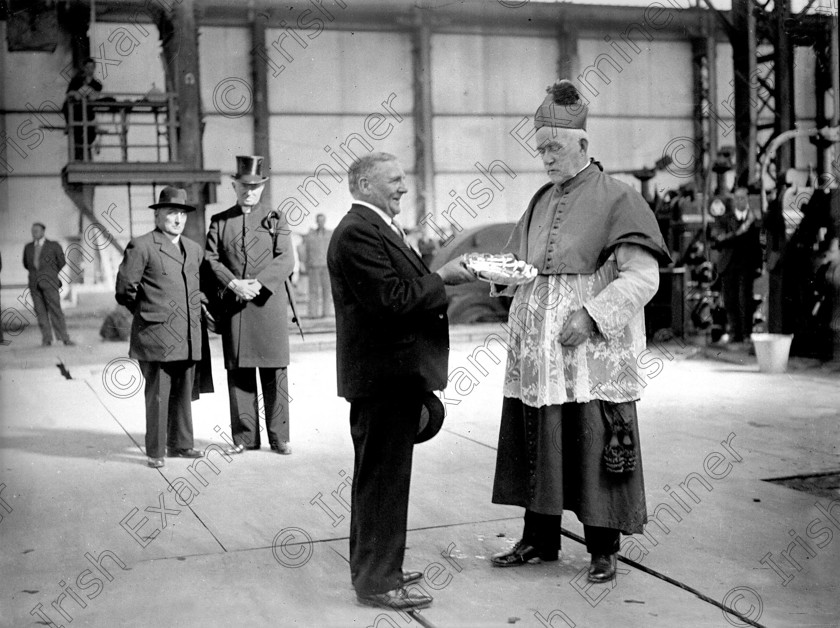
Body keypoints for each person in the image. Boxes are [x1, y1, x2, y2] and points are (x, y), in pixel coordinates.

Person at [488, 80, 670, 583]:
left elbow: (642, 276)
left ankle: (603, 549)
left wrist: (590, 317)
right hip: (539, 353)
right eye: (540, 148)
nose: (544, 157)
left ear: (583, 144)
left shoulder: (620, 200)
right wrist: (499, 277)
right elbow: (521, 264)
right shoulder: (541, 198)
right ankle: (538, 539)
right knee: (539, 438)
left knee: (594, 438)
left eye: (554, 147)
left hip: (590, 352)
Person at [327, 152, 475, 611]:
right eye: (393, 180)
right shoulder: (356, 233)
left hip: (393, 377)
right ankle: (377, 581)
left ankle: (379, 568)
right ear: (364, 184)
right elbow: (391, 301)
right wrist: (442, 278)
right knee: (382, 483)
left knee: (385, 481)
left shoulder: (380, 230)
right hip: (383, 379)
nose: (403, 187)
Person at [205, 155, 298, 455]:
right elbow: (211, 259)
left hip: (267, 304)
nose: (249, 191)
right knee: (239, 371)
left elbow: (286, 258)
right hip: (235, 306)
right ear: (234, 185)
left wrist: (257, 285)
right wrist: (233, 283)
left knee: (274, 372)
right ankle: (244, 437)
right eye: (244, 186)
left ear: (262, 187)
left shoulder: (276, 218)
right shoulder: (219, 222)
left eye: (255, 186)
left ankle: (279, 436)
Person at [115, 187, 206, 468]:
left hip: (188, 334)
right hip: (157, 335)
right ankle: (156, 451)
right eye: (170, 213)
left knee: (183, 392)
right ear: (157, 215)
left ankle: (182, 444)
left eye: (181, 213)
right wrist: (148, 314)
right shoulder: (141, 246)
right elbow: (124, 290)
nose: (177, 219)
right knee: (158, 394)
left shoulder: (193, 248)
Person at [712, 187, 762, 344]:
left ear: (747, 199)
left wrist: (759, 264)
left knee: (744, 301)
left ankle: (746, 333)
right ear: (734, 200)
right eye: (737, 198)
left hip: (746, 266)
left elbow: (758, 244)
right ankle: (734, 333)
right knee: (730, 301)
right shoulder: (726, 219)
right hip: (729, 266)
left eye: (743, 198)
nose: (740, 201)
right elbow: (718, 240)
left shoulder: (754, 220)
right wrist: (738, 234)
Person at [23, 222, 74, 347]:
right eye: (32, 231)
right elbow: (26, 263)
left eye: (37, 230)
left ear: (43, 231)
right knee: (40, 312)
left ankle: (64, 338)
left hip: (50, 283)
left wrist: (50, 273)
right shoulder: (28, 247)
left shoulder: (53, 245)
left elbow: (61, 261)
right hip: (34, 285)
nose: (34, 233)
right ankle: (46, 339)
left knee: (56, 310)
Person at [64, 58, 102, 161]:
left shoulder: (97, 84)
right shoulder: (76, 81)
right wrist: (79, 93)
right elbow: (69, 94)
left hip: (89, 115)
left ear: (94, 68)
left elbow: (95, 96)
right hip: (77, 114)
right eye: (87, 67)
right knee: (77, 137)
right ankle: (78, 159)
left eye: (92, 67)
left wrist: (85, 93)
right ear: (84, 68)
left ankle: (87, 159)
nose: (89, 69)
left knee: (89, 137)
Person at [300, 213, 333, 318]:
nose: (321, 222)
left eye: (322, 220)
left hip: (326, 266)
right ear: (316, 221)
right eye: (319, 220)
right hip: (313, 266)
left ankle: (326, 313)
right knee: (313, 291)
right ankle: (313, 314)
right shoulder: (310, 235)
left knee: (327, 291)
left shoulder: (330, 234)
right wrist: (303, 263)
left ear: (325, 221)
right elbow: (304, 250)